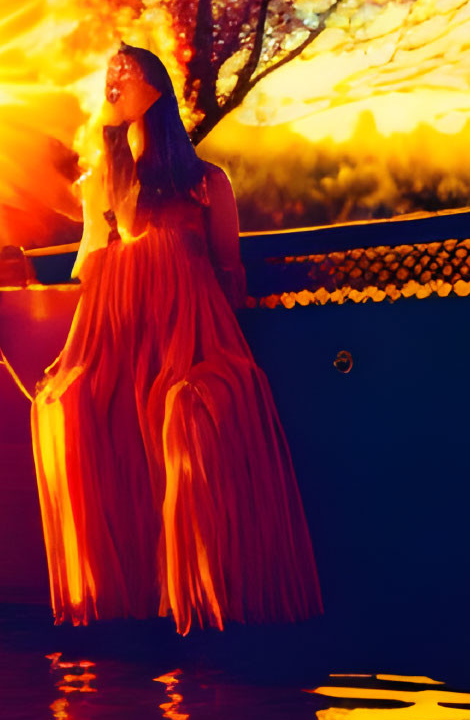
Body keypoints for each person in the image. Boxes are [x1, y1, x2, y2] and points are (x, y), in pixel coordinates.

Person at [30, 46, 322, 630]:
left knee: (188, 410)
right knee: (70, 404)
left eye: (126, 75)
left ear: (157, 90)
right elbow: (92, 260)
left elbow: (228, 269)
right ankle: (125, 602)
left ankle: (206, 597)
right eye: (107, 74)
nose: (112, 83)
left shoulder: (206, 182)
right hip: (114, 331)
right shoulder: (106, 182)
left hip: (188, 332)